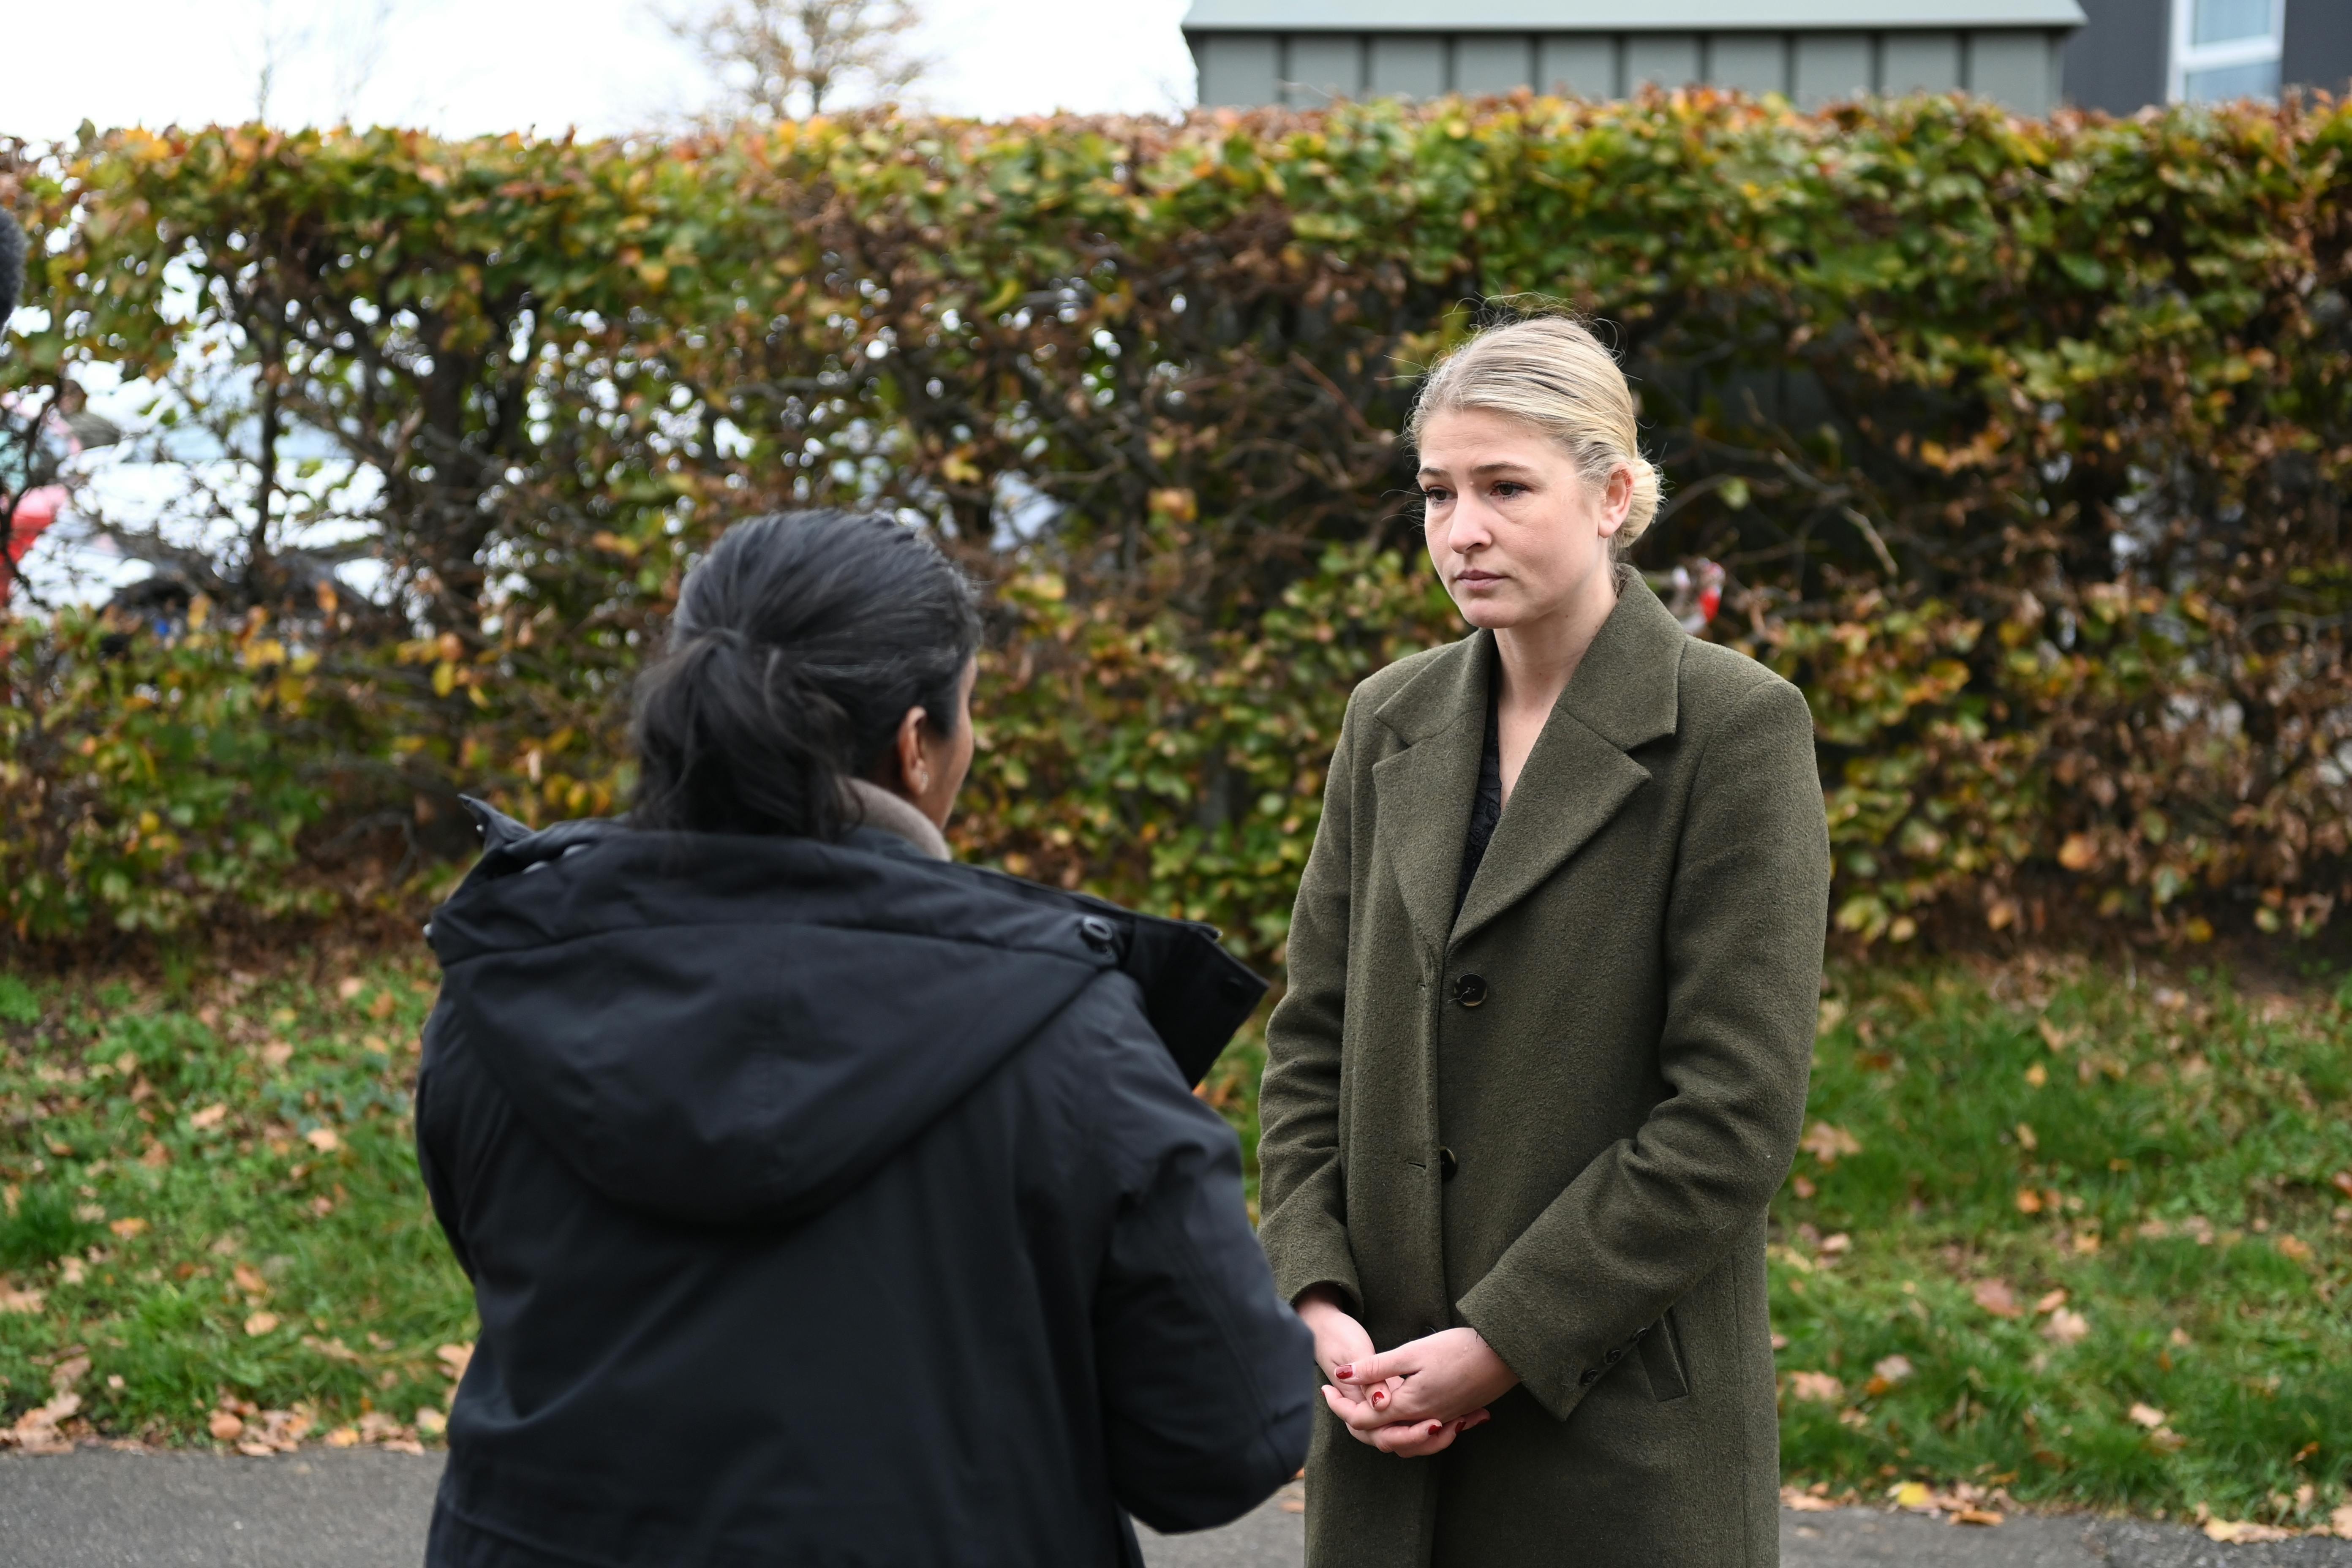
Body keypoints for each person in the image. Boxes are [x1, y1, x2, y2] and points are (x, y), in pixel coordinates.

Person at [414, 508, 1315, 1567]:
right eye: (971, 709)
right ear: (917, 744)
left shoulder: (511, 978)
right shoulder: (1068, 1034)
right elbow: (1223, 1439)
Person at [1257, 313, 1831, 1567]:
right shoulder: (1389, 719)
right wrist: (1316, 1292)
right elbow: (1313, 1037)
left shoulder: (1736, 731)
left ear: (1616, 494)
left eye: (1506, 487)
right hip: (1384, 1423)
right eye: (1437, 493)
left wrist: (1506, 1342)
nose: (1462, 530)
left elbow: (1732, 1112)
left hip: (1619, 1441)